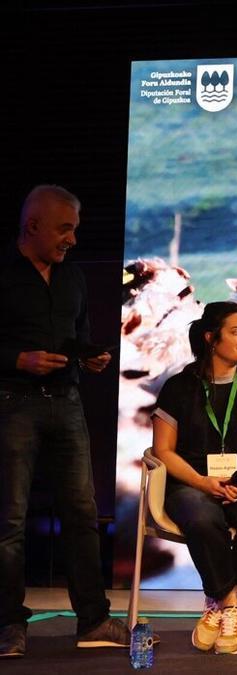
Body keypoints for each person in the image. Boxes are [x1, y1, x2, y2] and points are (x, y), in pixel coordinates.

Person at [0, 185, 128, 658]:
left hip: (67, 402)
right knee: (9, 521)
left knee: (82, 514)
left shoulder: (72, 277)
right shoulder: (5, 272)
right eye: (64, 228)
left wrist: (90, 357)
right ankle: (9, 624)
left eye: (74, 228)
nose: (72, 239)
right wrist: (18, 359)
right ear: (32, 226)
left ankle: (92, 619)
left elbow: (78, 337)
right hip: (13, 402)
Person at [150, 301, 237, 655]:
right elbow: (163, 451)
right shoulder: (179, 387)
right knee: (202, 517)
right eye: (236, 331)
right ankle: (230, 605)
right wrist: (201, 481)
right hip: (191, 484)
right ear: (211, 337)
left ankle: (222, 600)